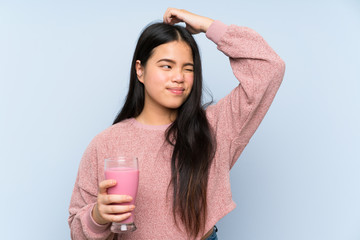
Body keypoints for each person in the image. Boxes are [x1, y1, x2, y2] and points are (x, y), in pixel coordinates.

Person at [68, 8, 285, 240]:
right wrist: (97, 216)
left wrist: (208, 26)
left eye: (188, 68)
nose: (179, 77)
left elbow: (270, 67)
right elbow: (77, 231)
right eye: (167, 66)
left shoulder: (215, 127)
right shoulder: (106, 143)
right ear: (140, 70)